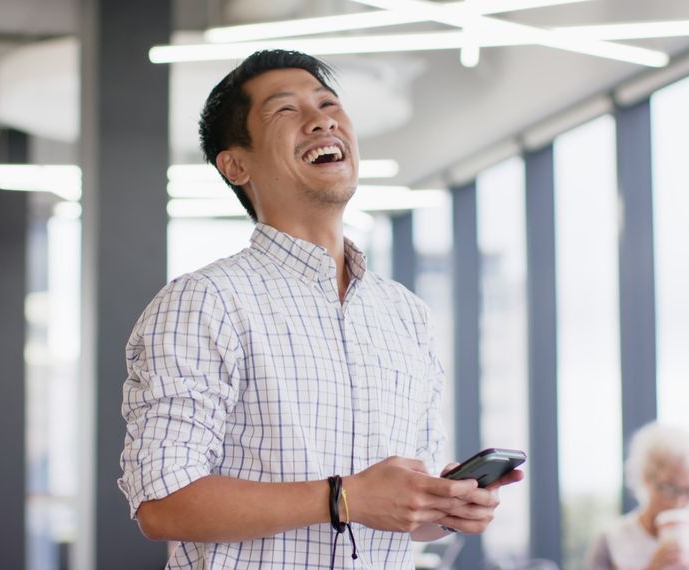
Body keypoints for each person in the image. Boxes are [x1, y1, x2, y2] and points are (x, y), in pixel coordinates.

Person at [118, 49, 523, 569]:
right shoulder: (204, 303)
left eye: (329, 103)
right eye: (286, 110)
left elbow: (401, 517)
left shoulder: (405, 314)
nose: (322, 119)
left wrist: (443, 507)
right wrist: (343, 496)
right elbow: (163, 503)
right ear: (236, 163)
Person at [584, 422, 689, 570]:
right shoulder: (611, 540)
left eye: (688, 490)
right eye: (669, 488)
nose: (679, 501)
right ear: (645, 480)